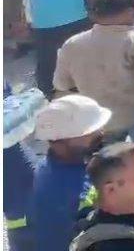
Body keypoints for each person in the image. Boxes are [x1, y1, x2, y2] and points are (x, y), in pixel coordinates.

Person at [54, 0, 134, 173]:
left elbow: (61, 84)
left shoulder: (72, 44)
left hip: (102, 118)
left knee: (112, 165)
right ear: (131, 12)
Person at [24, 95, 110, 251]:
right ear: (59, 140)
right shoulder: (56, 192)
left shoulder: (74, 165)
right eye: (90, 131)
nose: (100, 133)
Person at [13, 0, 96, 95]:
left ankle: (85, 91)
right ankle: (45, 96)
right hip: (44, 26)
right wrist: (19, 20)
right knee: (46, 65)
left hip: (78, 22)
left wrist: (93, 12)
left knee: (81, 60)